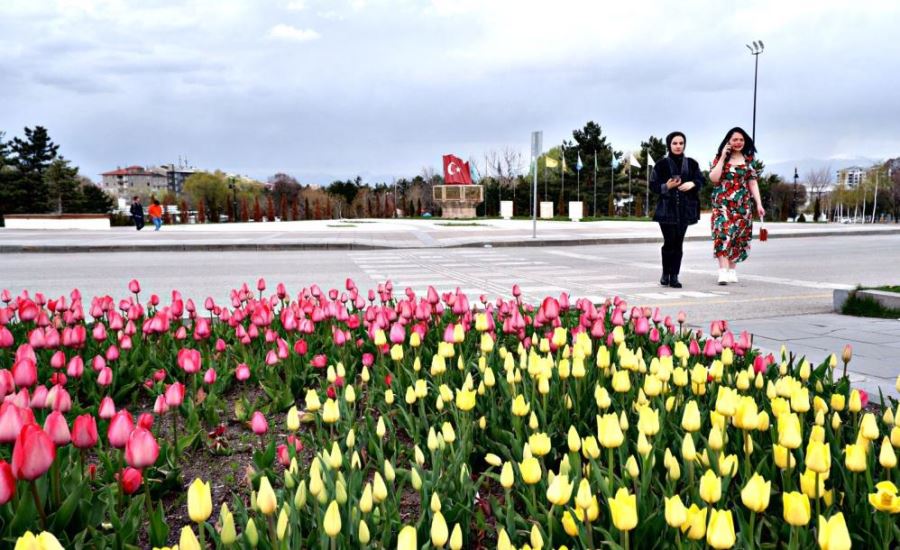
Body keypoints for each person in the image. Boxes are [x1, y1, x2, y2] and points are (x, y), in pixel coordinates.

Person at [708, 127, 766, 285]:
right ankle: (723, 271)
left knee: (737, 237)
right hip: (722, 204)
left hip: (742, 205)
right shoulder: (720, 158)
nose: (738, 142)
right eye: (735, 140)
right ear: (728, 141)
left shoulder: (748, 160)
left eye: (741, 140)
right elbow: (713, 178)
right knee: (722, 235)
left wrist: (759, 204)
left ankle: (732, 269)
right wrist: (722, 158)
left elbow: (752, 183)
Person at [649, 131, 705, 288]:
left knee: (679, 243)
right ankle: (665, 273)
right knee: (669, 242)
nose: (678, 146)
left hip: (685, 210)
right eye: (675, 143)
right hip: (666, 210)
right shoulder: (661, 164)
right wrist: (666, 186)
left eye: (681, 143)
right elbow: (653, 185)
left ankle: (674, 276)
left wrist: (693, 184)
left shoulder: (692, 163)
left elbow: (701, 179)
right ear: (669, 145)